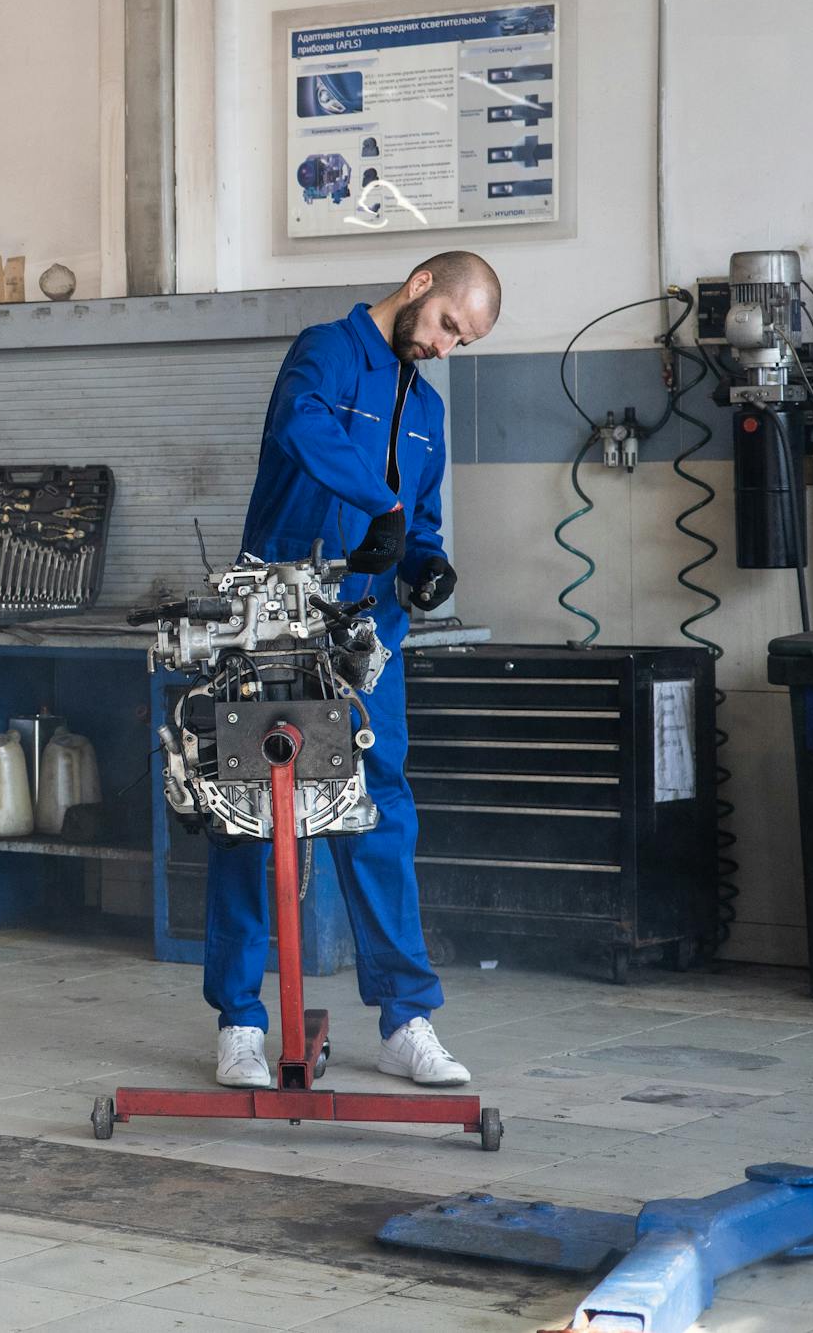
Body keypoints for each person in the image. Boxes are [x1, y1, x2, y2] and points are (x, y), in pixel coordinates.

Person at [208, 250, 501, 1091]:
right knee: (249, 814)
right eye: (449, 324)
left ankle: (407, 1019)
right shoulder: (325, 352)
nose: (447, 346)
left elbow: (425, 521)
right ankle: (240, 1023)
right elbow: (303, 429)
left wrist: (429, 563)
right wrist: (382, 504)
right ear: (418, 288)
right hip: (276, 620)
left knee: (379, 812)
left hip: (368, 636)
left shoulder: (429, 410)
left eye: (464, 340)